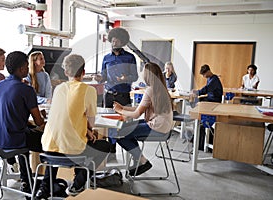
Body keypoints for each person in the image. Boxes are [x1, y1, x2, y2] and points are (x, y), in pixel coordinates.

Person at [35, 54, 110, 199]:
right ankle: (78, 183)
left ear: (66, 72)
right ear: (83, 72)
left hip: (47, 148)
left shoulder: (59, 89)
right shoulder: (88, 90)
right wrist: (89, 130)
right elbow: (91, 123)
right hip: (73, 152)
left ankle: (44, 188)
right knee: (103, 145)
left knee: (59, 143)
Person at [0, 51, 45, 196]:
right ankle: (45, 184)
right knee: (50, 142)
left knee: (24, 133)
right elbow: (39, 122)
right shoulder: (26, 89)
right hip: (15, 140)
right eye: (26, 65)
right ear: (21, 69)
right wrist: (41, 116)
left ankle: (27, 181)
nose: (28, 68)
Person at [113, 62, 174, 176]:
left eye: (143, 71)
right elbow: (140, 108)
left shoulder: (150, 90)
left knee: (119, 133)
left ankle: (142, 160)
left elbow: (136, 114)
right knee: (124, 128)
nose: (141, 73)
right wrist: (123, 108)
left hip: (157, 127)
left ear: (148, 75)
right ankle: (138, 160)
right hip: (163, 126)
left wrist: (120, 111)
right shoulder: (160, 88)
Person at [94, 27, 138, 161]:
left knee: (123, 126)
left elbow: (135, 76)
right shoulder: (106, 58)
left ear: (122, 42)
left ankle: (131, 154)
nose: (114, 44)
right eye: (113, 41)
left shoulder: (130, 57)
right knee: (108, 124)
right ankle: (111, 153)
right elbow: (104, 76)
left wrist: (126, 78)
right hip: (109, 95)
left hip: (123, 95)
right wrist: (99, 78)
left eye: (117, 42)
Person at [192, 64, 223, 151]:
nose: (203, 76)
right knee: (197, 102)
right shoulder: (210, 78)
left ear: (208, 71)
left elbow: (207, 89)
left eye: (204, 74)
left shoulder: (214, 79)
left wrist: (197, 92)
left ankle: (200, 139)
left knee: (199, 102)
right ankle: (196, 137)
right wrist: (197, 93)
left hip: (214, 101)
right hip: (210, 98)